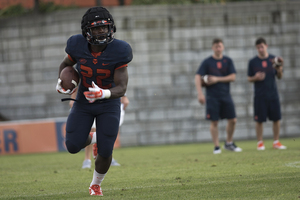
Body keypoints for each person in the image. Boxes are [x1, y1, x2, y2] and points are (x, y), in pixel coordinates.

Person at [56, 6, 132, 196]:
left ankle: (95, 184)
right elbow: (66, 64)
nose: (101, 31)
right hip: (84, 101)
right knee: (73, 145)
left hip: (108, 102)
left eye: (104, 27)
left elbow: (122, 88)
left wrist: (103, 93)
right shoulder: (76, 45)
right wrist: (61, 81)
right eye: (97, 28)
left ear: (111, 28)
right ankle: (99, 137)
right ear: (86, 31)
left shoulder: (120, 50)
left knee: (106, 150)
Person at [195, 38, 242, 154]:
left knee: (233, 120)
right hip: (212, 96)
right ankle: (216, 146)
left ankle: (229, 143)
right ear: (212, 48)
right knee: (214, 122)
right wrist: (200, 93)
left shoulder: (228, 61)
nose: (218, 48)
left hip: (226, 95)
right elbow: (197, 76)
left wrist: (217, 79)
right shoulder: (207, 62)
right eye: (216, 46)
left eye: (220, 46)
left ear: (223, 47)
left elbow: (233, 77)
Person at [247, 37, 286, 150]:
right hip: (260, 95)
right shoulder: (253, 62)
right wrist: (256, 77)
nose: (260, 49)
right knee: (259, 120)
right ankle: (260, 143)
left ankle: (276, 142)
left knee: (276, 118)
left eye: (262, 46)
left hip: (273, 94)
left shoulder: (274, 59)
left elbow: (279, 76)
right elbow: (249, 78)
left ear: (266, 46)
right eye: (258, 47)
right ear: (256, 48)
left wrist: (279, 69)